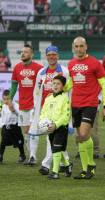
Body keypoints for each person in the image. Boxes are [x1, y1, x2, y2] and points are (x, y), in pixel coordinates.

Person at [66, 37, 105, 179]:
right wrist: (60, 89)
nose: (78, 49)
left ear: (86, 47)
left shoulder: (95, 63)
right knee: (80, 137)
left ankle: (90, 164)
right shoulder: (71, 63)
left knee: (84, 134)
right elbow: (72, 83)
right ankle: (85, 170)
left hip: (90, 103)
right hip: (75, 104)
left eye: (81, 46)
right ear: (73, 48)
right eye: (76, 46)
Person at [33, 46, 71, 176]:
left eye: (54, 54)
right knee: (54, 141)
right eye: (49, 54)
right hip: (45, 109)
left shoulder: (64, 72)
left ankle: (46, 165)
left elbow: (68, 89)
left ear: (58, 56)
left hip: (59, 109)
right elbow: (37, 92)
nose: (51, 57)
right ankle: (66, 163)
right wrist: (35, 107)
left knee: (53, 140)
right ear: (46, 56)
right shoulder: (41, 73)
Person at [8, 44, 43, 165]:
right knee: (27, 131)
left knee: (33, 129)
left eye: (26, 52)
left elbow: (43, 85)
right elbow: (14, 85)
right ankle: (32, 157)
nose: (23, 54)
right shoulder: (17, 68)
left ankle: (32, 157)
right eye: (22, 52)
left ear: (32, 54)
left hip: (35, 104)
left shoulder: (39, 68)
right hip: (22, 104)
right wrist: (10, 99)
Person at [38, 75, 72, 179]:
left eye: (58, 84)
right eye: (54, 83)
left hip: (60, 128)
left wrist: (56, 124)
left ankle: (55, 172)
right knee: (56, 149)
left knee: (56, 148)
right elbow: (43, 112)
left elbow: (66, 115)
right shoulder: (48, 98)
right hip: (49, 128)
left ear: (63, 86)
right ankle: (67, 165)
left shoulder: (65, 98)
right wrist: (40, 121)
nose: (55, 85)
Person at [0, 90, 26, 164]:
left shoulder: (16, 105)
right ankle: (0, 156)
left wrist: (14, 111)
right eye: (4, 99)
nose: (6, 101)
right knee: (3, 142)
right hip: (6, 127)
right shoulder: (2, 107)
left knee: (19, 142)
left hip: (15, 127)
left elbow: (20, 115)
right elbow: (2, 119)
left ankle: (22, 154)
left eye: (7, 99)